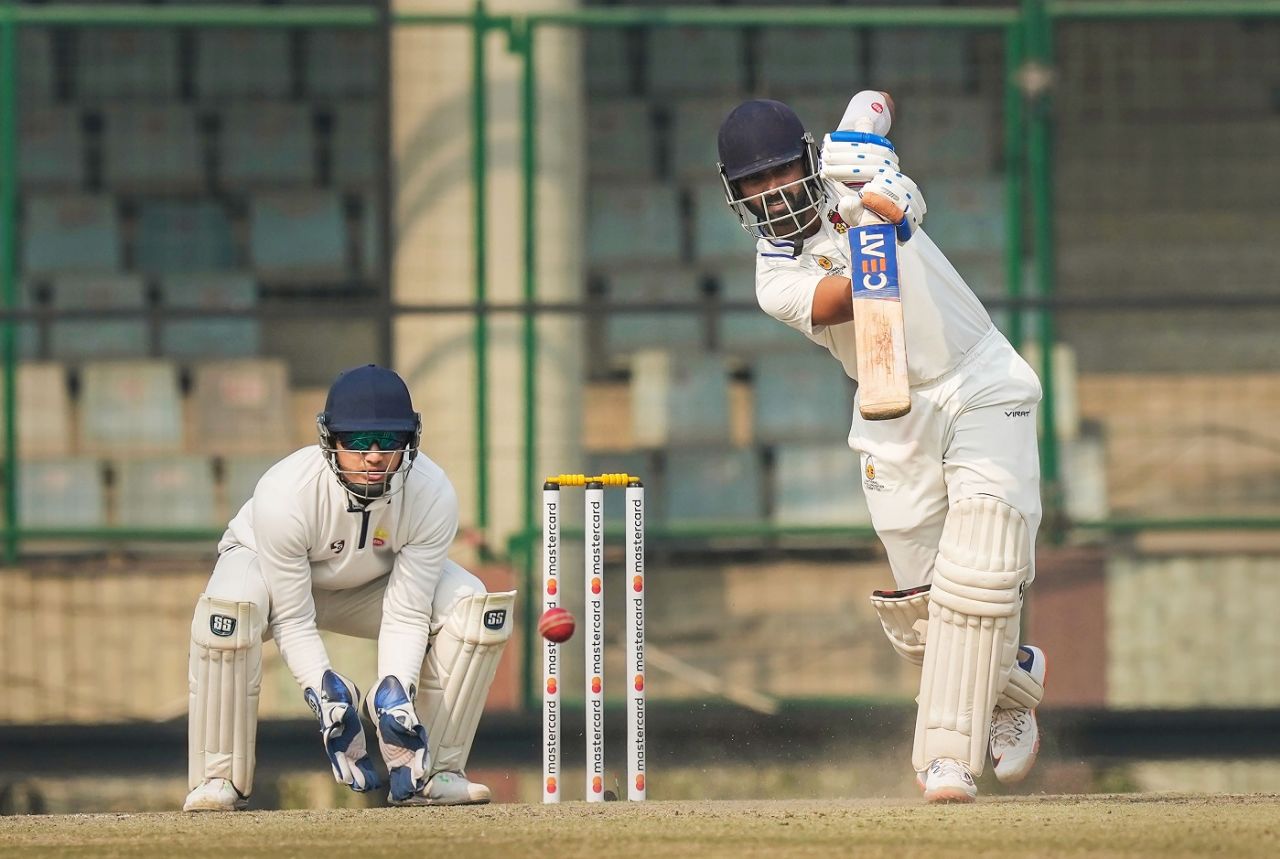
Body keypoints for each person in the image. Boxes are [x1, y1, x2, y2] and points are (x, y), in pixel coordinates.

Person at [716, 92, 1047, 803]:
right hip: (890, 404)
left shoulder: (850, 174)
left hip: (978, 377)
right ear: (736, 196)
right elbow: (857, 295)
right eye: (753, 186)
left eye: (778, 173)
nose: (771, 195)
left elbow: (876, 103)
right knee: (929, 613)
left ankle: (946, 757)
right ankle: (1009, 681)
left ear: (804, 160)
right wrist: (880, 215)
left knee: (982, 562)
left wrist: (890, 185)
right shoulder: (774, 277)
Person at [183, 364, 515, 811]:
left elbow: (407, 611)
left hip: (371, 588)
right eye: (357, 441)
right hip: (268, 579)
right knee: (227, 615)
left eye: (389, 441)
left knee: (476, 611)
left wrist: (396, 691)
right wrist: (326, 694)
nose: (374, 456)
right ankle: (218, 781)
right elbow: (294, 617)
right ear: (329, 441)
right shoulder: (285, 494)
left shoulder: (433, 494)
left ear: (410, 441)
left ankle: (431, 774)